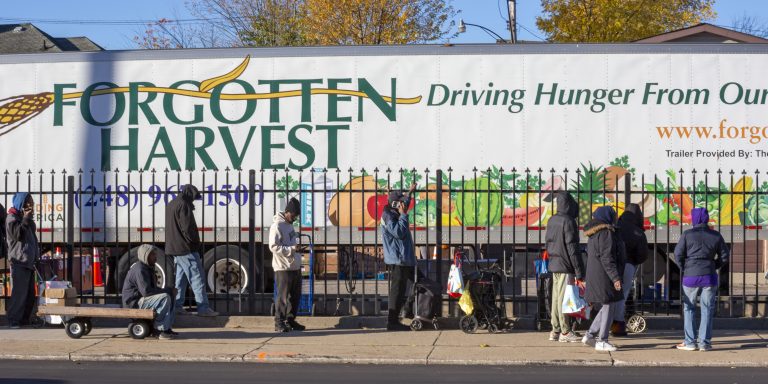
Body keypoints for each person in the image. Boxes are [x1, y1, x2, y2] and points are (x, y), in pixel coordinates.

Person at [674, 208, 729, 352]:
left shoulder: (687, 235)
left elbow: (678, 254)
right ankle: (704, 343)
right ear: (706, 219)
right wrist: (713, 265)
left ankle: (690, 342)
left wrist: (685, 268)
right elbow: (725, 256)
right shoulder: (716, 236)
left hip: (690, 276)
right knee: (707, 309)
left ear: (694, 219)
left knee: (689, 308)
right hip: (709, 275)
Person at [165, 184, 218, 317]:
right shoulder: (184, 205)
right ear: (189, 194)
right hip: (185, 248)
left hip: (175, 248)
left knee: (180, 279)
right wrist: (195, 242)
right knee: (197, 278)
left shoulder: (172, 203)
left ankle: (177, 305)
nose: (194, 200)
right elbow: (187, 228)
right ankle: (203, 308)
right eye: (194, 197)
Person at [582, 206, 625, 352]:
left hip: (597, 275)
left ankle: (590, 335)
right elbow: (607, 257)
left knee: (608, 306)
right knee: (609, 305)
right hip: (605, 276)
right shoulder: (606, 233)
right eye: (613, 215)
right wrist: (615, 277)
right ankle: (602, 340)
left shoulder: (594, 233)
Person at [544, 191, 584, 343]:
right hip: (566, 265)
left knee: (556, 298)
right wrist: (579, 271)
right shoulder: (568, 221)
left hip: (554, 263)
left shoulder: (552, 220)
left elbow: (547, 243)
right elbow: (573, 248)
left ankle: (555, 330)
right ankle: (565, 332)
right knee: (564, 299)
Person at [122, 244, 178, 340]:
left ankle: (167, 328)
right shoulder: (140, 269)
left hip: (142, 300)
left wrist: (169, 291)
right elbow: (147, 292)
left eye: (155, 255)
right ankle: (159, 330)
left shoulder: (147, 267)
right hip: (134, 303)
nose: (155, 257)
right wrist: (168, 291)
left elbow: (152, 290)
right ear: (145, 255)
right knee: (165, 297)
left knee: (170, 295)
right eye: (152, 255)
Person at [381, 184, 417, 331]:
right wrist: (404, 215)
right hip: (398, 259)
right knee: (397, 291)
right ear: (396, 204)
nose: (404, 204)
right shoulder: (388, 215)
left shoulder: (394, 210)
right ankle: (392, 321)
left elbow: (404, 203)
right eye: (401, 202)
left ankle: (408, 310)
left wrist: (409, 192)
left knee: (419, 283)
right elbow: (399, 232)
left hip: (405, 258)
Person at [269, 197, 306, 333]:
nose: (295, 218)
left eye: (296, 216)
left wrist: (296, 249)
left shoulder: (289, 225)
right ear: (287, 212)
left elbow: (290, 244)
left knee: (295, 296)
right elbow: (273, 247)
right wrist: (292, 250)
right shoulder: (277, 226)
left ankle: (290, 320)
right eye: (293, 215)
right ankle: (279, 322)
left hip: (294, 266)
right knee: (283, 297)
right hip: (283, 267)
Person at [612, 203, 649, 336]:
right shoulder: (638, 232)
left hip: (612, 265)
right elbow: (643, 254)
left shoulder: (615, 227)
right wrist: (633, 262)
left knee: (609, 295)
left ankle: (604, 324)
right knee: (623, 295)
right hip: (628, 265)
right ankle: (618, 325)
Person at [6, 193, 39, 329]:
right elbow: (17, 234)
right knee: (19, 294)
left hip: (28, 261)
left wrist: (28, 219)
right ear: (22, 203)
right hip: (19, 260)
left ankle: (25, 319)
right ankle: (14, 320)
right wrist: (25, 218)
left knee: (30, 294)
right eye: (29, 202)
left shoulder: (24, 219)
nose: (31, 205)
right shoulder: (12, 218)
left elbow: (31, 237)